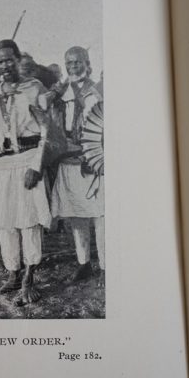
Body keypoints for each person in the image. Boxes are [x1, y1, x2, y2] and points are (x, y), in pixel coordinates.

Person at [0, 40, 52, 304]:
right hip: (0, 165)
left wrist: (37, 165)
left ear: (18, 59)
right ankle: (12, 273)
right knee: (6, 222)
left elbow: (47, 131)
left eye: (9, 59)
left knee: (28, 220)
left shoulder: (35, 89)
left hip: (27, 160)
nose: (5, 65)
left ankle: (29, 278)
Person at [50, 46, 105, 286]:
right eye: (69, 63)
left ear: (87, 63)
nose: (73, 67)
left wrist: (96, 156)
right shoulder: (62, 94)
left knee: (99, 217)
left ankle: (105, 267)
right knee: (76, 216)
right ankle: (84, 264)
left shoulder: (97, 91)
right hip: (67, 161)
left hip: (91, 160)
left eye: (77, 62)